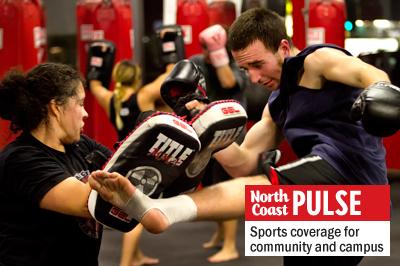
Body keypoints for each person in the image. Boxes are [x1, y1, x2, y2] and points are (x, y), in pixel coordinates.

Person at [88, 7, 398, 266]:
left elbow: (365, 74)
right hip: (336, 214)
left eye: (257, 64)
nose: (253, 77)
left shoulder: (316, 61)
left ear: (284, 48)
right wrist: (199, 119)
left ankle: (166, 210)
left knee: (273, 186)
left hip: (358, 190)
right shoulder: (277, 105)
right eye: (245, 69)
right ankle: (163, 209)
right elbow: (242, 163)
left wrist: (381, 91)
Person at [0, 63, 112, 266]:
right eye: (80, 104)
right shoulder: (21, 158)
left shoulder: (82, 145)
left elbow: (124, 166)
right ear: (56, 107)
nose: (85, 113)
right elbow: (91, 203)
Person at [89, 59, 174, 266]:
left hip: (122, 157)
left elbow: (94, 85)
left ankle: (136, 257)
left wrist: (97, 61)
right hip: (142, 162)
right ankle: (126, 263)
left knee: (132, 209)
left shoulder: (109, 98)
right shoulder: (143, 96)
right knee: (136, 213)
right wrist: (170, 48)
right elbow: (171, 73)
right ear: (136, 79)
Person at [189, 23, 250, 263]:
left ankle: (231, 246)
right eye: (205, 47)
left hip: (230, 135)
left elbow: (227, 82)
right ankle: (220, 234)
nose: (206, 52)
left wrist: (219, 55)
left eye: (211, 47)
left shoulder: (237, 64)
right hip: (207, 134)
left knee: (225, 187)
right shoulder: (198, 61)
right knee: (212, 184)